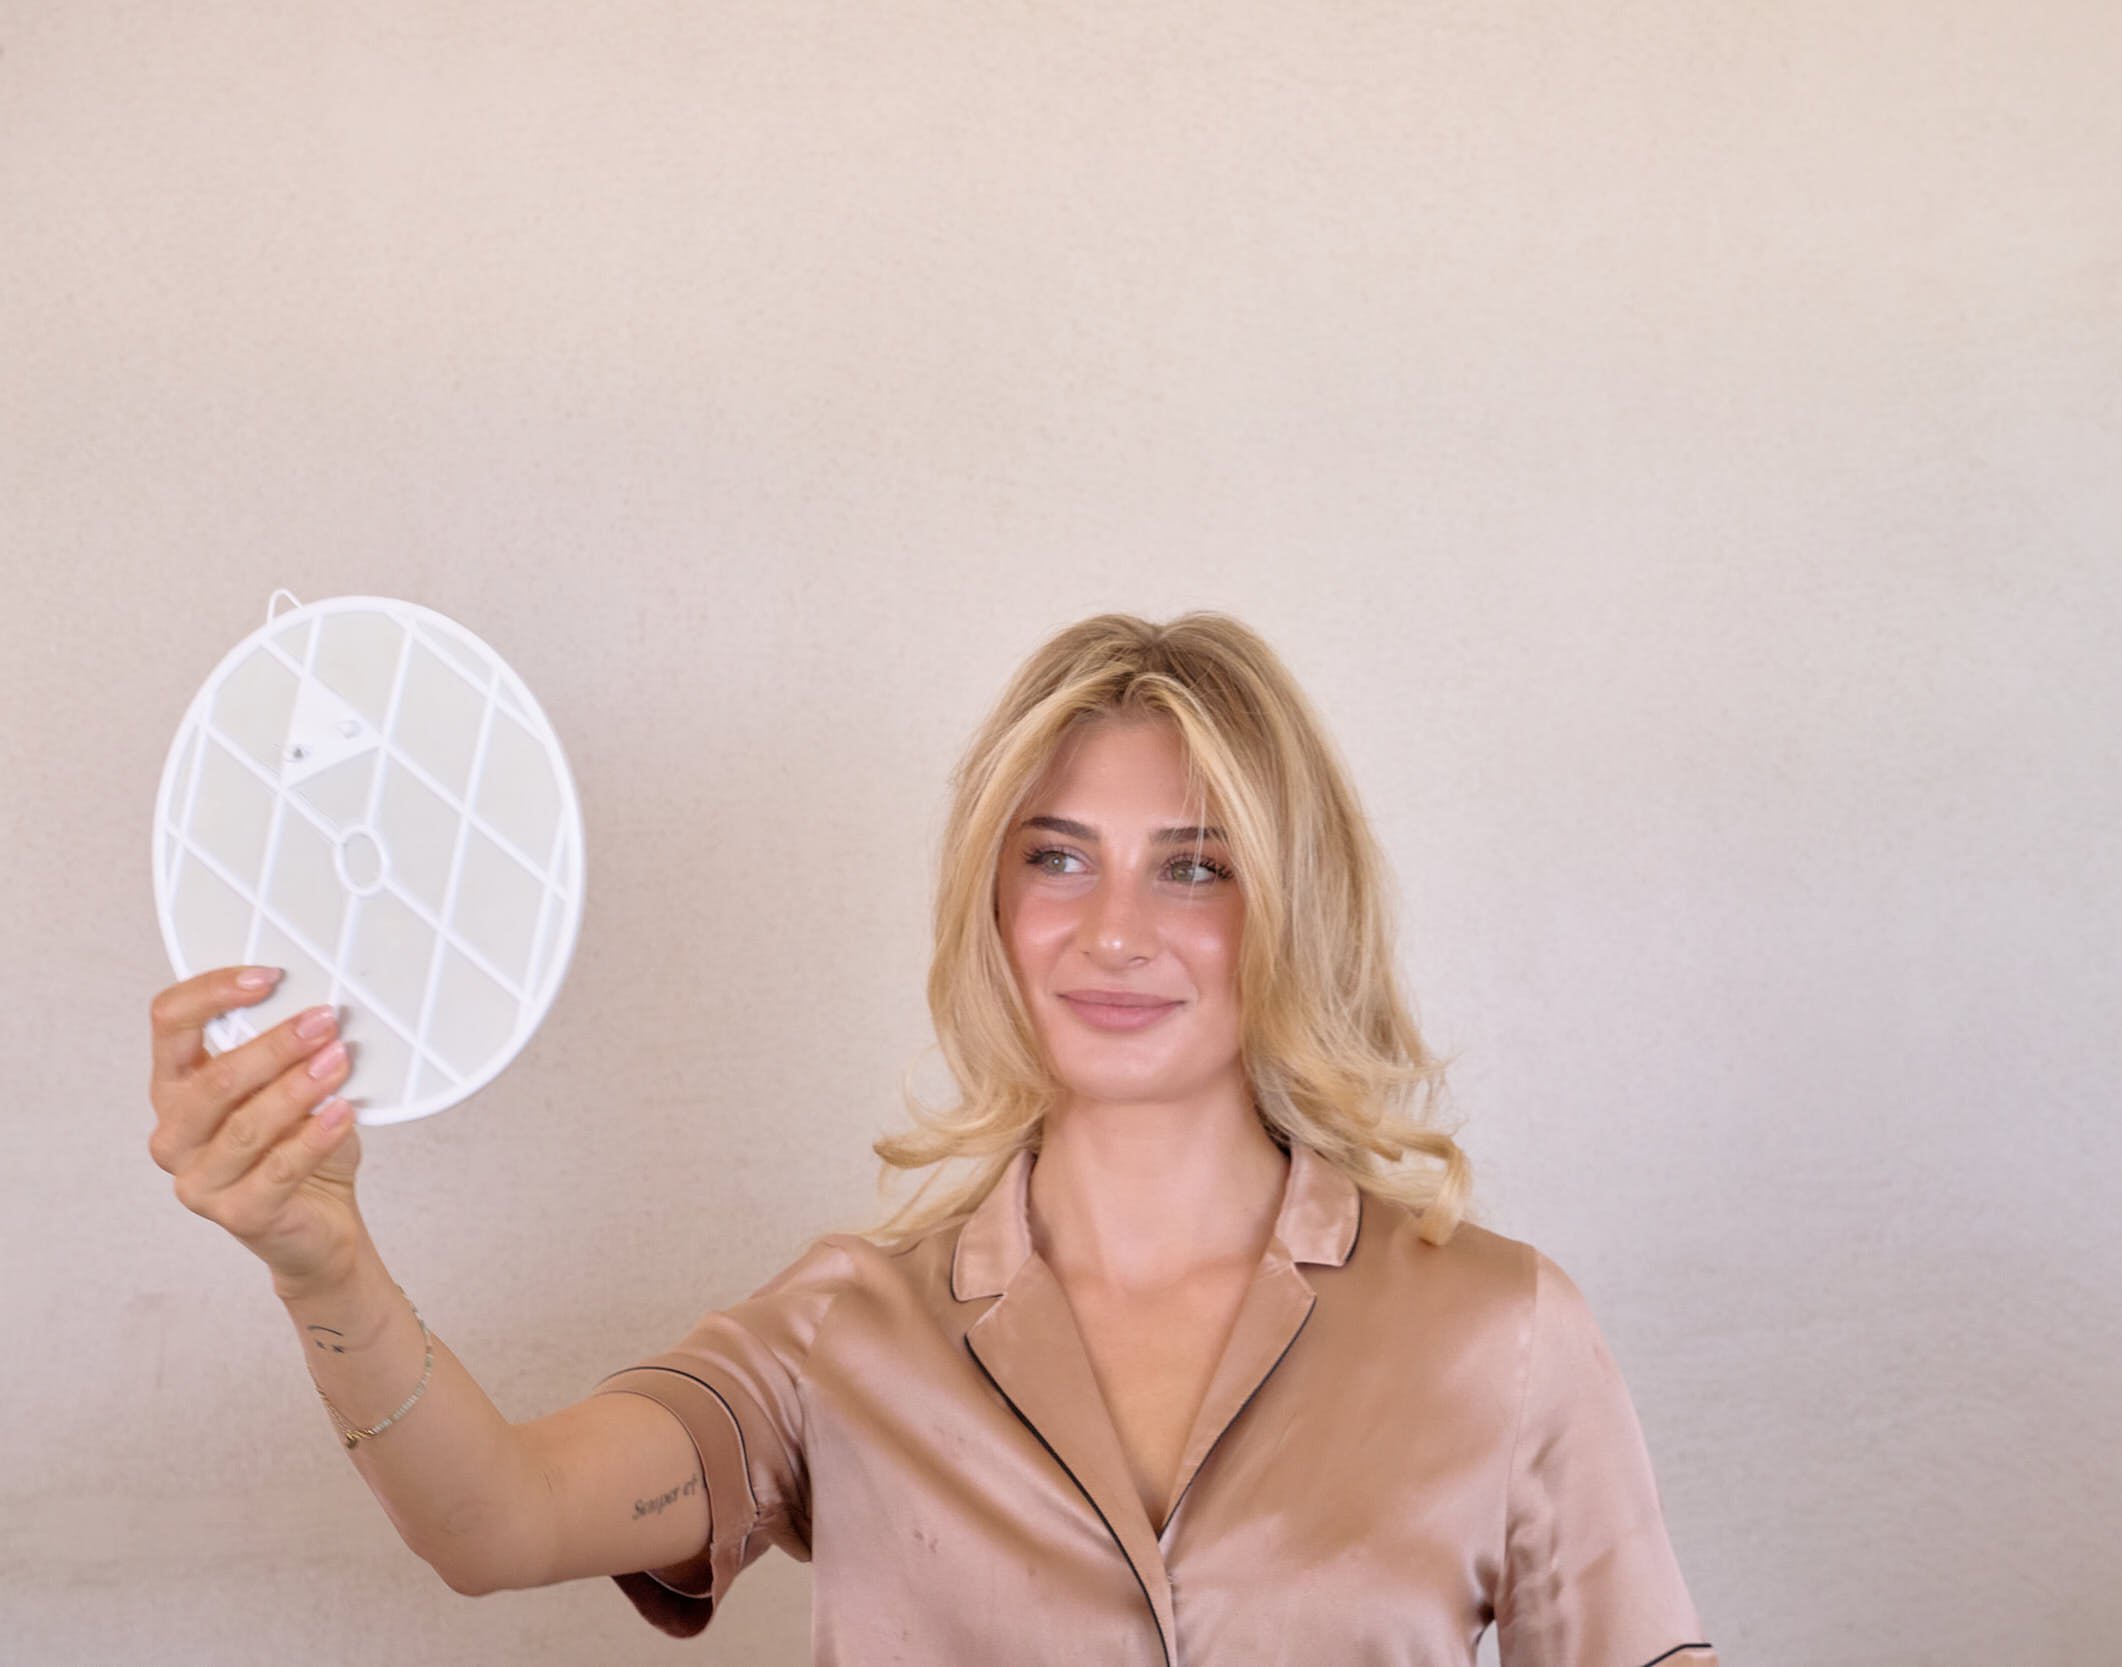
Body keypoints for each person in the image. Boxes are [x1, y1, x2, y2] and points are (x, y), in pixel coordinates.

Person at [145, 611, 1718, 1664]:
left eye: (1192, 867)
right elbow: (496, 1522)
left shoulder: (1501, 1330)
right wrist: (322, 1266)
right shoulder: (847, 1334)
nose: (1113, 930)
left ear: (1294, 907)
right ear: (992, 901)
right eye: (1057, 859)